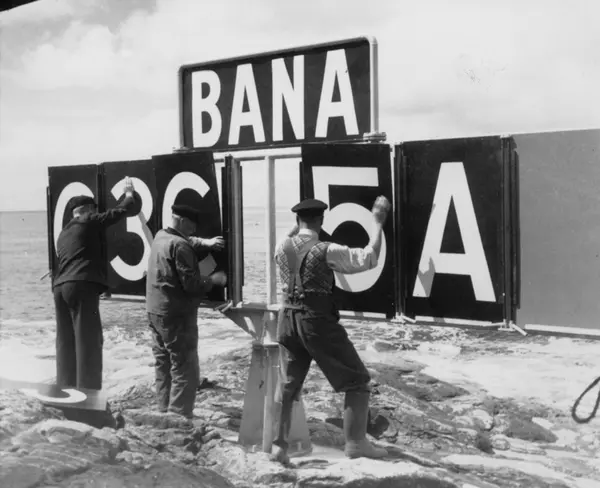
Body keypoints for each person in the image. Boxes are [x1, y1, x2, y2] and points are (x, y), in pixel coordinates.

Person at [270, 196, 391, 463]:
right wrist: (378, 223)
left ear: (297, 220)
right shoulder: (327, 250)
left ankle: (279, 446)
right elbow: (368, 258)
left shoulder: (281, 247)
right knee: (357, 381)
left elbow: (291, 237)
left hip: (286, 320)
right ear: (321, 220)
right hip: (316, 321)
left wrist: (296, 226)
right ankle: (356, 444)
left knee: (288, 385)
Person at [52, 177, 136, 391]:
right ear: (87, 210)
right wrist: (128, 194)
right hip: (80, 285)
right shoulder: (88, 220)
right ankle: (88, 395)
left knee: (66, 343)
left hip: (60, 288)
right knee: (88, 342)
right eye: (93, 210)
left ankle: (65, 390)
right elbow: (119, 212)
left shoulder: (63, 232)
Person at [146, 203, 227, 418]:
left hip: (155, 311)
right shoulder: (181, 246)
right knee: (185, 367)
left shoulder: (160, 236)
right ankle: (179, 417)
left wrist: (205, 243)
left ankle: (163, 410)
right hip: (176, 315)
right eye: (192, 225)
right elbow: (191, 285)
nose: (194, 230)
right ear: (182, 221)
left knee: (163, 364)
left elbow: (185, 240)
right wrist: (213, 280)